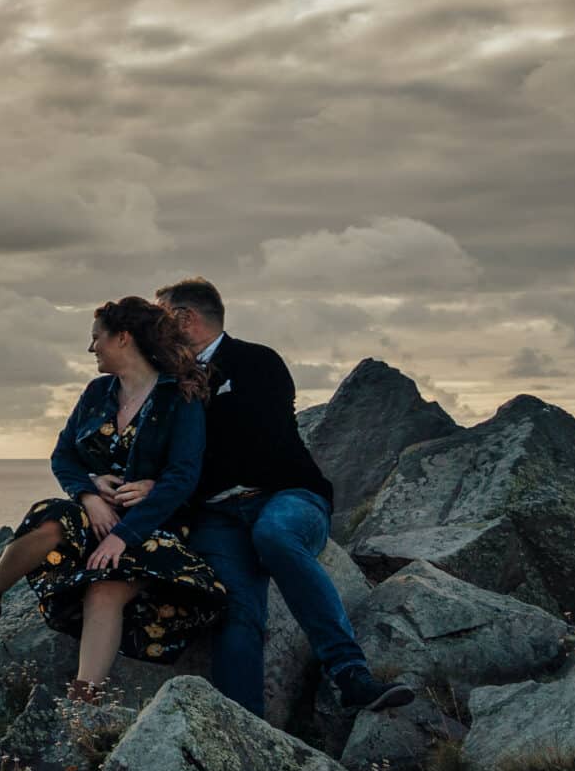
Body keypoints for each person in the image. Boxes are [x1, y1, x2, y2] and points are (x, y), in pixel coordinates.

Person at [151, 276, 415, 717]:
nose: (156, 332)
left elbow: (261, 441)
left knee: (274, 537)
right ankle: (244, 728)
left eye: (162, 319)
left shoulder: (257, 361)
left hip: (287, 495)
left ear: (185, 318)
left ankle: (351, 674)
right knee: (235, 610)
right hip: (217, 516)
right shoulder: (166, 381)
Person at [0, 296, 229, 702]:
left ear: (123, 338)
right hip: (92, 514)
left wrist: (122, 535)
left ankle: (85, 700)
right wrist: (89, 492)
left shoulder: (178, 398)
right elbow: (63, 456)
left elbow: (182, 477)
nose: (91, 347)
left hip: (152, 524)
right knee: (50, 517)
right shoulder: (97, 393)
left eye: (97, 338)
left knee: (107, 587)